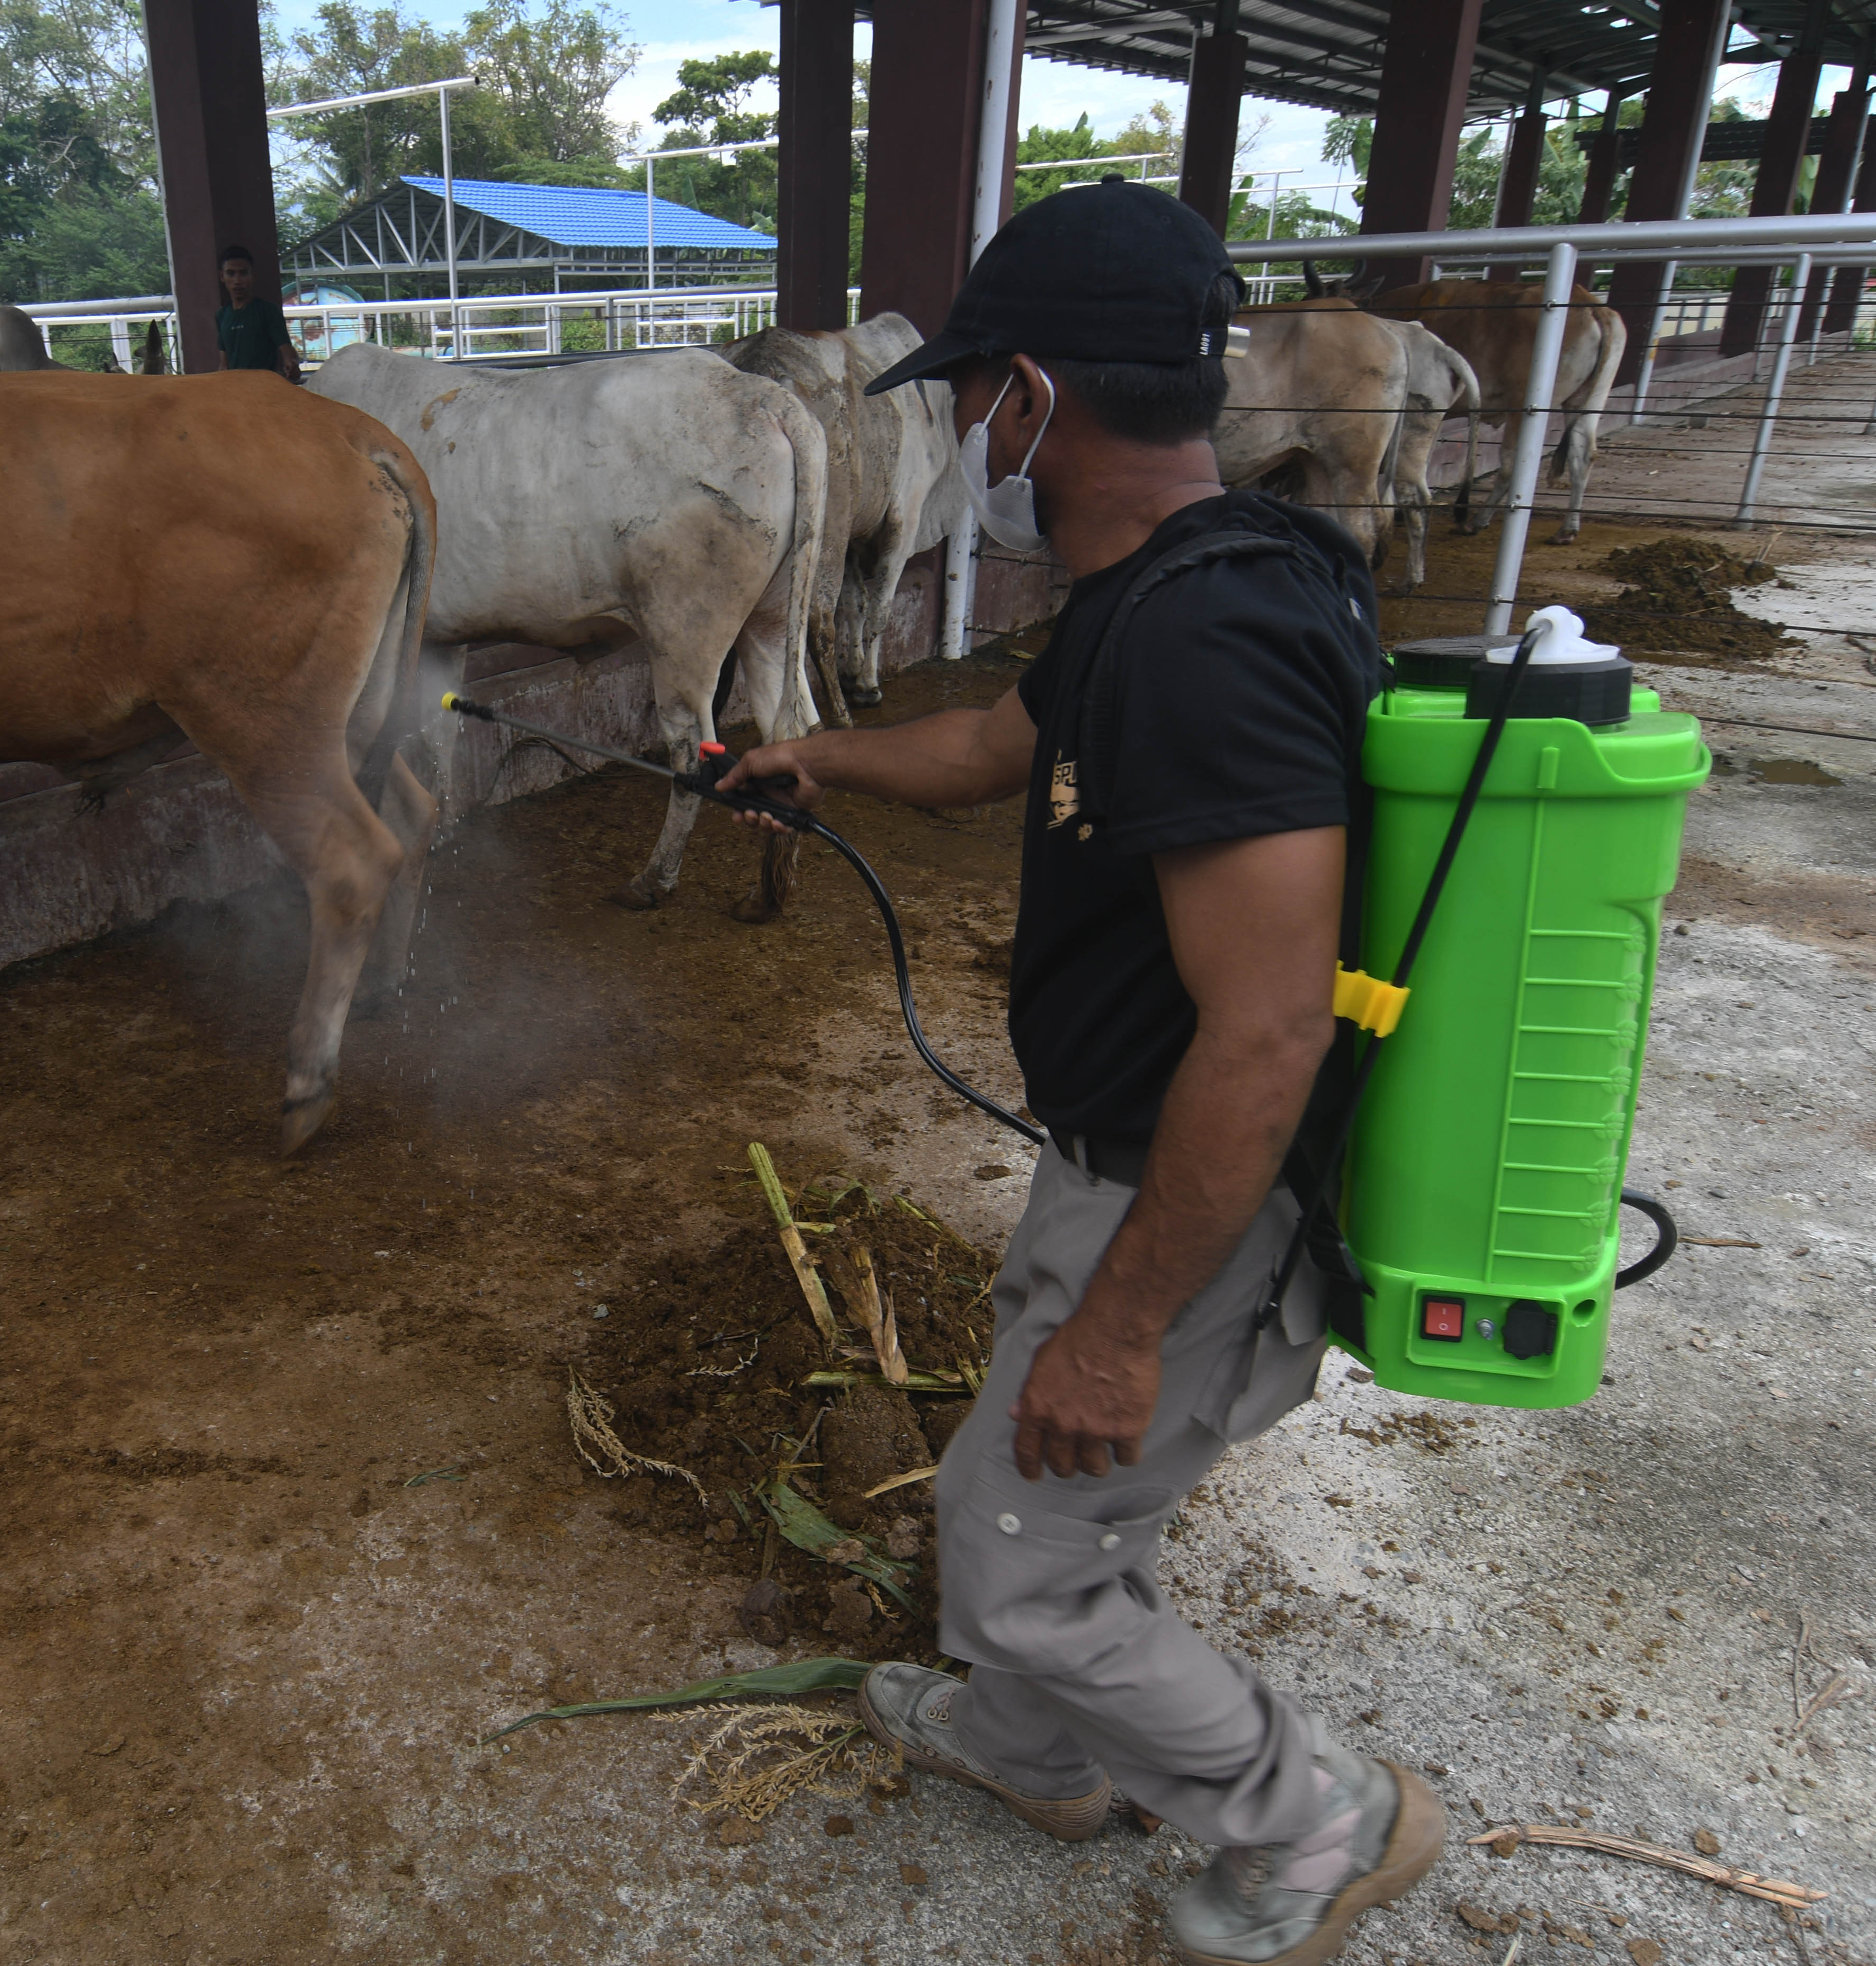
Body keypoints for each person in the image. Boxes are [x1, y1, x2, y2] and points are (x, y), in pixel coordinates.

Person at [721, 180, 1442, 1966]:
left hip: (1182, 1189)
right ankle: (1028, 1750)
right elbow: (992, 742)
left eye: (977, 395)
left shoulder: (1203, 644)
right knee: (1023, 1477)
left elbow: (1266, 1026)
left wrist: (1122, 1328)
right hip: (1114, 1160)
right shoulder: (1182, 583)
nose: (968, 433)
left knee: (1025, 1559)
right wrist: (814, 756)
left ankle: (1316, 1818)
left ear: (1034, 397)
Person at [212, 245, 301, 379]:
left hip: (264, 387)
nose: (237, 281)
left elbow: (287, 351)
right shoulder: (222, 316)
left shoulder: (268, 311)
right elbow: (224, 366)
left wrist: (292, 365)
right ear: (222, 276)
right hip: (235, 388)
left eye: (243, 273)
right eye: (231, 274)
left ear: (253, 276)